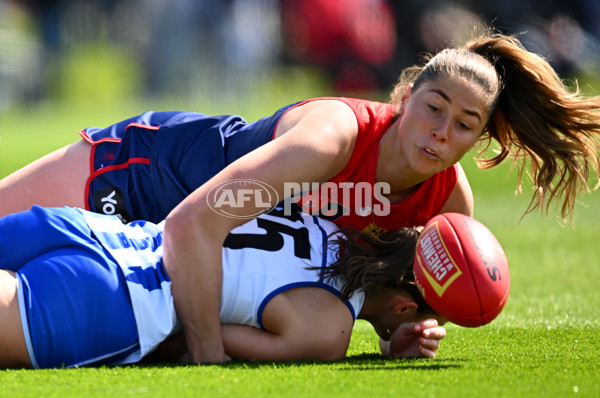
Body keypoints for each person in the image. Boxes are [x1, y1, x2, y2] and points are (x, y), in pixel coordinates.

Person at [1, 31, 599, 363]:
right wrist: (206, 356)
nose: (442, 133)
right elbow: (195, 225)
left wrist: (399, 335)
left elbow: (385, 289)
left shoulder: (446, 205)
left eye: (466, 125)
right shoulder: (332, 137)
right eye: (434, 110)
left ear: (478, 137)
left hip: (170, 250)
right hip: (143, 176)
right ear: (405, 98)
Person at [0, 205, 446, 369]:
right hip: (115, 298)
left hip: (90, 227)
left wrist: (389, 342)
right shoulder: (328, 332)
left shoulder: (329, 222)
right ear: (406, 308)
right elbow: (192, 341)